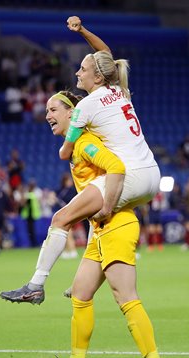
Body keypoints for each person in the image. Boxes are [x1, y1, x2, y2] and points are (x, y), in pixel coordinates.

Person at [2, 91, 167, 358]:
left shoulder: (86, 142)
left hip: (115, 225)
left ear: (71, 113)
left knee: (126, 297)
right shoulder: (77, 144)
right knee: (80, 294)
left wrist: (105, 208)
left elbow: (116, 168)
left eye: (53, 109)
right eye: (47, 111)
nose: (47, 115)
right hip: (100, 229)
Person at [59, 16, 160, 220]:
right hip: (152, 174)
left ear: (97, 77)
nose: (77, 73)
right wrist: (82, 30)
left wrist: (77, 139)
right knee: (103, 230)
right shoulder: (119, 89)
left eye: (83, 69)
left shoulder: (86, 105)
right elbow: (105, 55)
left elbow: (64, 152)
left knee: (63, 218)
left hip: (128, 176)